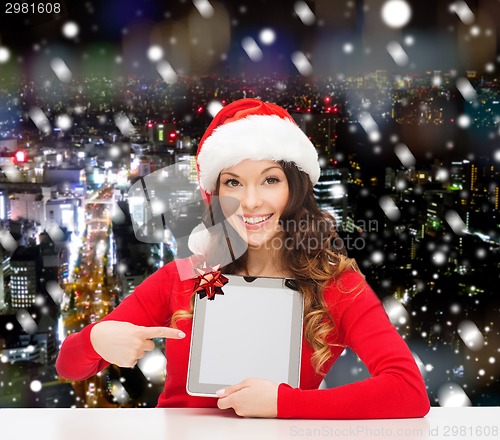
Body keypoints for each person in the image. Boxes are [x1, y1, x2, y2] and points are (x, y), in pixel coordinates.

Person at [56, 98, 430, 419]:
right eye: (233, 182)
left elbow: (408, 392)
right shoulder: (185, 277)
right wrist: (96, 340)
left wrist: (285, 403)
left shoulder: (336, 285)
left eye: (270, 180)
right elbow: (69, 365)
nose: (250, 202)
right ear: (215, 195)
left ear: (295, 189)